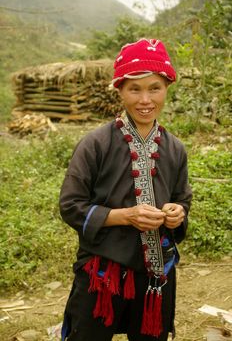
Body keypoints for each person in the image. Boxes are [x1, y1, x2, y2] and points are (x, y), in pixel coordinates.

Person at [59, 38, 192, 341]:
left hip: (156, 276)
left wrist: (176, 213)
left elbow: (183, 198)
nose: (145, 99)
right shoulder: (95, 144)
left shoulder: (174, 148)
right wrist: (125, 216)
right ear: (119, 89)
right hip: (102, 275)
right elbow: (70, 204)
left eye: (154, 88)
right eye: (135, 89)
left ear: (167, 88)